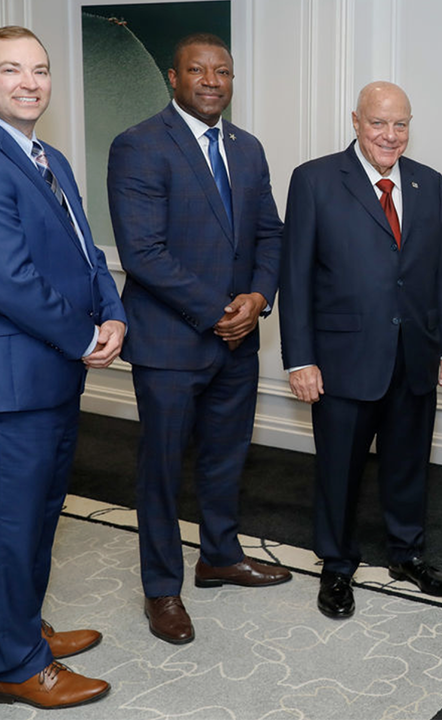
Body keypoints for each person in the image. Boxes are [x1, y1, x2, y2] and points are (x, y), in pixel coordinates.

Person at [0, 25, 125, 709]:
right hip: (7, 384)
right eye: (11, 70)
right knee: (9, 529)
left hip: (51, 376)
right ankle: (14, 665)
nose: (29, 83)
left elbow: (85, 253)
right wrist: (83, 336)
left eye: (39, 70)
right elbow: (8, 281)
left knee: (38, 517)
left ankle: (22, 631)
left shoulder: (50, 157)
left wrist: (114, 313)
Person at [107, 33, 290, 645]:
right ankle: (162, 589)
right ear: (173, 77)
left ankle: (219, 556)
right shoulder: (138, 145)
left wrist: (259, 298)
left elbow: (270, 233)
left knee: (225, 457)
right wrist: (217, 310)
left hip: (238, 339)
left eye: (223, 72)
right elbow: (142, 253)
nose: (212, 81)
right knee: (160, 471)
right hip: (171, 343)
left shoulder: (247, 147)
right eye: (198, 70)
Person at [278, 81, 442, 620]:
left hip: (415, 354)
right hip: (340, 360)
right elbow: (295, 277)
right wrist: (299, 358)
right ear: (356, 121)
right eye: (379, 123)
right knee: (340, 470)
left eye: (400, 124)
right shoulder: (314, 180)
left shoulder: (429, 184)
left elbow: (439, 274)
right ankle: (336, 566)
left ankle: (408, 555)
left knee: (409, 465)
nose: (390, 135)